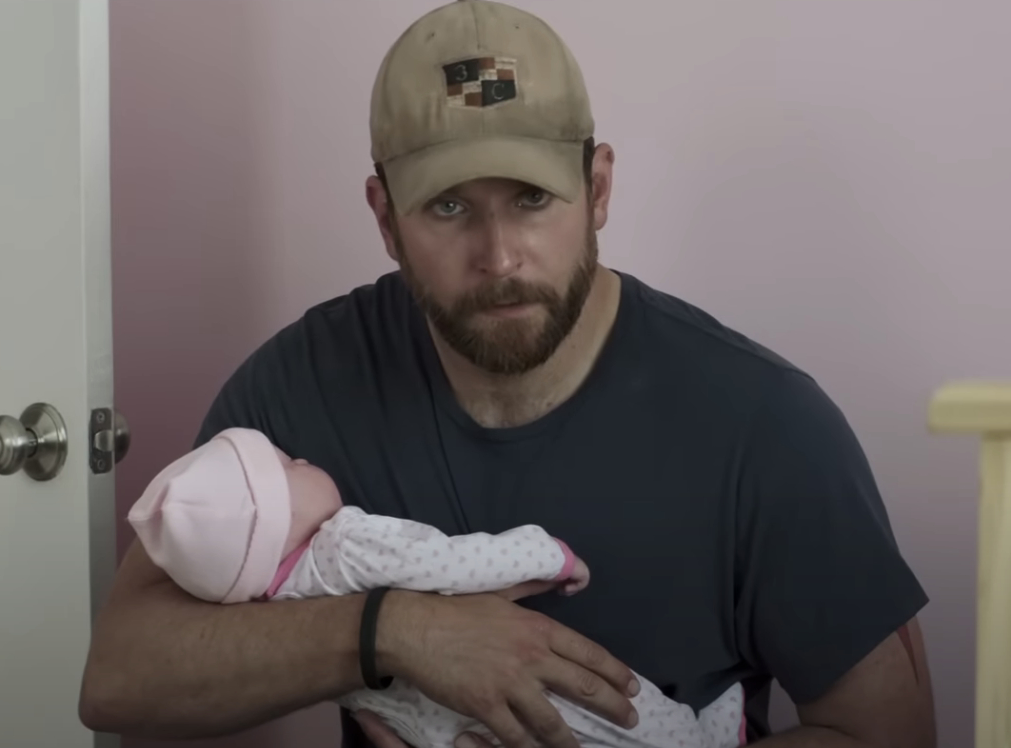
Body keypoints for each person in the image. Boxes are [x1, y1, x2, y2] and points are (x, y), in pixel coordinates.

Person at [77, 2, 936, 747]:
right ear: (384, 217)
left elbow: (891, 734)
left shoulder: (765, 425)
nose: (498, 258)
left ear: (596, 189)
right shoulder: (302, 388)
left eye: (531, 199)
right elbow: (119, 677)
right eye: (449, 207)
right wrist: (395, 631)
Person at [124, 426, 746, 748]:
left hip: (441, 726)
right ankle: (702, 733)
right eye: (288, 468)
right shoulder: (344, 545)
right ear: (275, 528)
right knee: (624, 718)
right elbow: (452, 564)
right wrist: (546, 554)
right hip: (520, 686)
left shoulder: (273, 609)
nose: (303, 460)